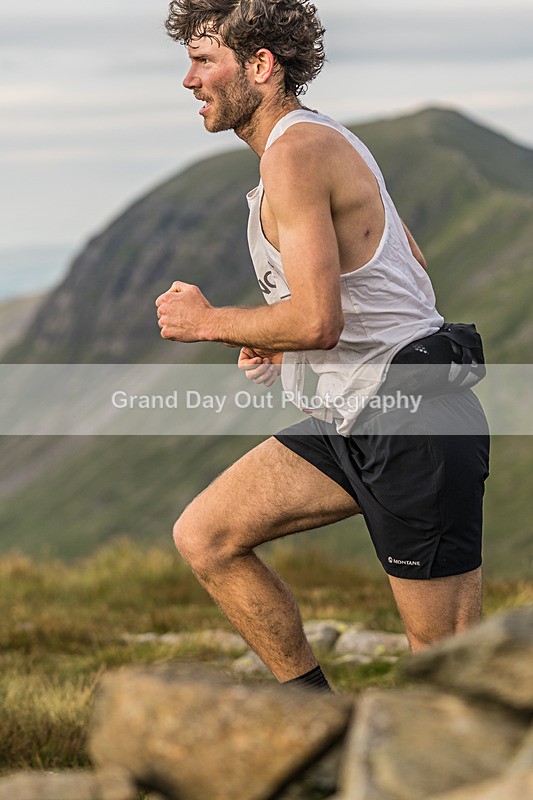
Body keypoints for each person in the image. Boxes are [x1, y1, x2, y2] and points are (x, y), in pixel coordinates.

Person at [156, 0, 489, 693]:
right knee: (207, 536)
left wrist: (209, 320)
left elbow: (317, 323)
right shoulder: (315, 143)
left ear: (259, 66)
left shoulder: (298, 152)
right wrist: (282, 343)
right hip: (352, 415)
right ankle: (313, 723)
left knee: (445, 662)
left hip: (410, 421)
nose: (188, 80)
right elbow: (406, 267)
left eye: (202, 60)